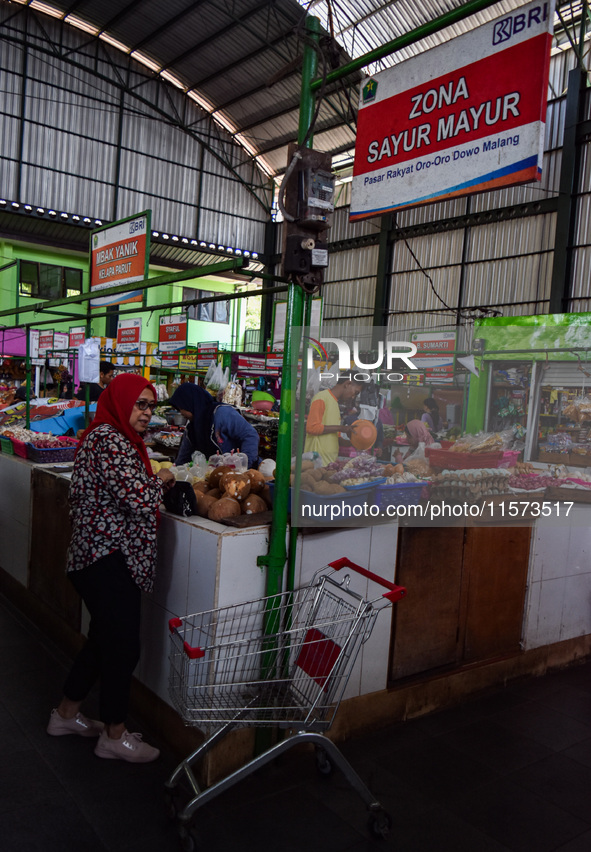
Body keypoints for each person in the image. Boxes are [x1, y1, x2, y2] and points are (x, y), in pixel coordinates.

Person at [47, 374, 175, 763]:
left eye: (151, 406)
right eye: (140, 404)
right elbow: (137, 497)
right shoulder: (110, 439)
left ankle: (65, 715)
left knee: (103, 641)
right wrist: (164, 478)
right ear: (120, 402)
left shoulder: (115, 438)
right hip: (106, 558)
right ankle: (114, 734)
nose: (147, 413)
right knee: (123, 647)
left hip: (99, 557)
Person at [169, 382, 259, 467]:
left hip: (239, 473)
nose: (181, 413)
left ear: (189, 404)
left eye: (180, 408)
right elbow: (184, 456)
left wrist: (244, 466)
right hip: (215, 473)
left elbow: (250, 435)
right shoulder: (192, 428)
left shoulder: (222, 413)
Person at [304, 377, 360, 466]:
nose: (353, 397)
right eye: (355, 392)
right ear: (347, 384)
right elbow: (312, 428)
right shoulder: (321, 397)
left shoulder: (335, 404)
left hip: (329, 464)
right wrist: (341, 428)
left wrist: (354, 443)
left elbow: (335, 438)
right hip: (316, 463)